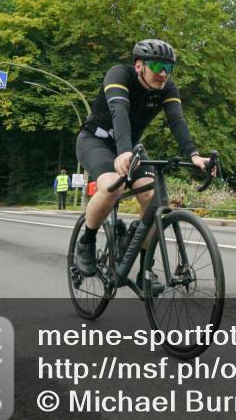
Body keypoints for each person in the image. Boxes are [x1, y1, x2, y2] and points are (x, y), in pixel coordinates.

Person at [73, 39, 210, 280]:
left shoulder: (168, 88)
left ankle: (145, 267)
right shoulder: (119, 75)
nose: (163, 73)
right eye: (157, 66)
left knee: (152, 199)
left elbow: (177, 121)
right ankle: (87, 240)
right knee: (112, 188)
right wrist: (123, 150)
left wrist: (194, 155)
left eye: (168, 68)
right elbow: (119, 112)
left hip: (131, 146)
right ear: (139, 66)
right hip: (96, 140)